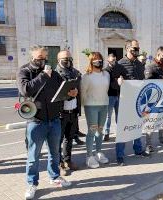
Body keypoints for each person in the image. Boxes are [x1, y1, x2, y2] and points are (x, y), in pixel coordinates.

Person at [17, 45, 72, 199]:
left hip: (54, 120)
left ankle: (54, 177)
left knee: (54, 153)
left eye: (45, 57)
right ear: (32, 57)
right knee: (33, 156)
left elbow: (61, 91)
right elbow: (25, 90)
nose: (42, 60)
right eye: (39, 58)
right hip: (36, 121)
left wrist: (70, 93)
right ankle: (31, 183)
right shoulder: (24, 71)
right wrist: (43, 76)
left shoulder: (54, 74)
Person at [116, 40, 150, 165]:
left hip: (138, 100)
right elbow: (114, 82)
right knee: (123, 128)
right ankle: (120, 155)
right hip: (124, 101)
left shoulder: (140, 64)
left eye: (138, 48)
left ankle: (138, 149)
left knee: (137, 125)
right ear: (127, 49)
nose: (137, 50)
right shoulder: (120, 64)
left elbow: (143, 81)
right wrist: (118, 81)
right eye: (135, 48)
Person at [81, 52, 110, 168]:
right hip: (91, 106)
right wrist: (84, 107)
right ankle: (89, 156)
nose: (99, 61)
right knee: (92, 131)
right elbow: (83, 92)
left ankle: (98, 152)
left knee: (100, 131)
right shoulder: (87, 76)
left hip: (104, 105)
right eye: (96, 59)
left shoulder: (106, 74)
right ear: (91, 61)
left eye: (100, 59)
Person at [55, 50, 81, 176]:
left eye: (69, 58)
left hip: (73, 111)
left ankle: (68, 160)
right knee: (58, 140)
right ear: (58, 60)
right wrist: (68, 94)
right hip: (61, 113)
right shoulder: (54, 74)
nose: (68, 60)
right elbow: (54, 93)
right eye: (65, 58)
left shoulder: (75, 72)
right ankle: (59, 164)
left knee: (69, 139)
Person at [145, 46, 163, 150]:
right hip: (153, 99)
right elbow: (147, 80)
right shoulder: (151, 66)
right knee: (151, 121)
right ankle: (148, 143)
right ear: (158, 54)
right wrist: (160, 78)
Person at [103, 53, 118, 142]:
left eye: (115, 60)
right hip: (109, 96)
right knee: (108, 116)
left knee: (118, 116)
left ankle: (119, 132)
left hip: (118, 95)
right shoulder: (105, 71)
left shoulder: (118, 69)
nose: (114, 62)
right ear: (108, 60)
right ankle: (106, 133)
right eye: (112, 60)